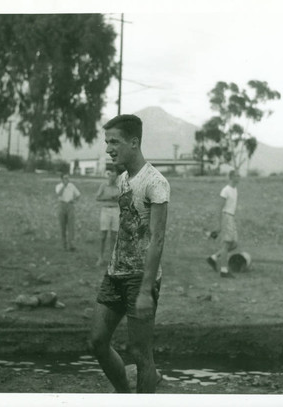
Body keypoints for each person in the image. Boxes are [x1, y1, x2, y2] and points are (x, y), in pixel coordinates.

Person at [90, 114, 170, 393]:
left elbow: (157, 240)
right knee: (97, 341)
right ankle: (124, 394)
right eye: (106, 141)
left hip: (140, 278)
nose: (109, 148)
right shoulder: (123, 179)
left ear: (134, 142)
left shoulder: (155, 182)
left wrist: (147, 289)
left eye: (115, 142)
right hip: (115, 274)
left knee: (140, 352)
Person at [207, 169, 240, 278]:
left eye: (239, 175)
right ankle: (224, 271)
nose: (239, 177)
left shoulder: (235, 189)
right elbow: (219, 208)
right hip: (226, 217)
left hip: (231, 217)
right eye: (236, 175)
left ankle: (214, 258)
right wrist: (219, 224)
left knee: (234, 244)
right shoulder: (225, 190)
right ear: (231, 177)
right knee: (226, 244)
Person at [95, 169, 120, 266]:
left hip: (115, 210)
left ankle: (112, 258)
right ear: (109, 176)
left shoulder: (119, 186)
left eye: (115, 176)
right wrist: (108, 198)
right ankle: (100, 257)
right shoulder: (103, 185)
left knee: (114, 236)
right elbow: (97, 198)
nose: (113, 178)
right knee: (103, 235)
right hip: (105, 210)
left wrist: (118, 198)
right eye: (111, 176)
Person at [55, 173, 81, 251]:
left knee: (71, 226)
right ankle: (64, 245)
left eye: (68, 178)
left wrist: (75, 200)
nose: (67, 180)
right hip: (61, 205)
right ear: (62, 179)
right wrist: (64, 186)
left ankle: (71, 245)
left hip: (70, 205)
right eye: (65, 178)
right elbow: (59, 194)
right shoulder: (58, 186)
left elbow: (78, 195)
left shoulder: (72, 186)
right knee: (62, 225)